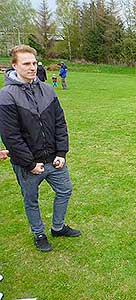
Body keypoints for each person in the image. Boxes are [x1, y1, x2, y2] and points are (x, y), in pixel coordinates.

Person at [0, 45, 81, 252]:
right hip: (28, 165)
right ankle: (39, 233)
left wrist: (61, 153)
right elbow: (11, 136)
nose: (32, 67)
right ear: (14, 65)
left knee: (65, 190)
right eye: (26, 63)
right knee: (31, 200)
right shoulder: (6, 95)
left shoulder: (47, 89)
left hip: (53, 159)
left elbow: (60, 123)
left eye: (34, 63)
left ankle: (58, 227)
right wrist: (29, 163)